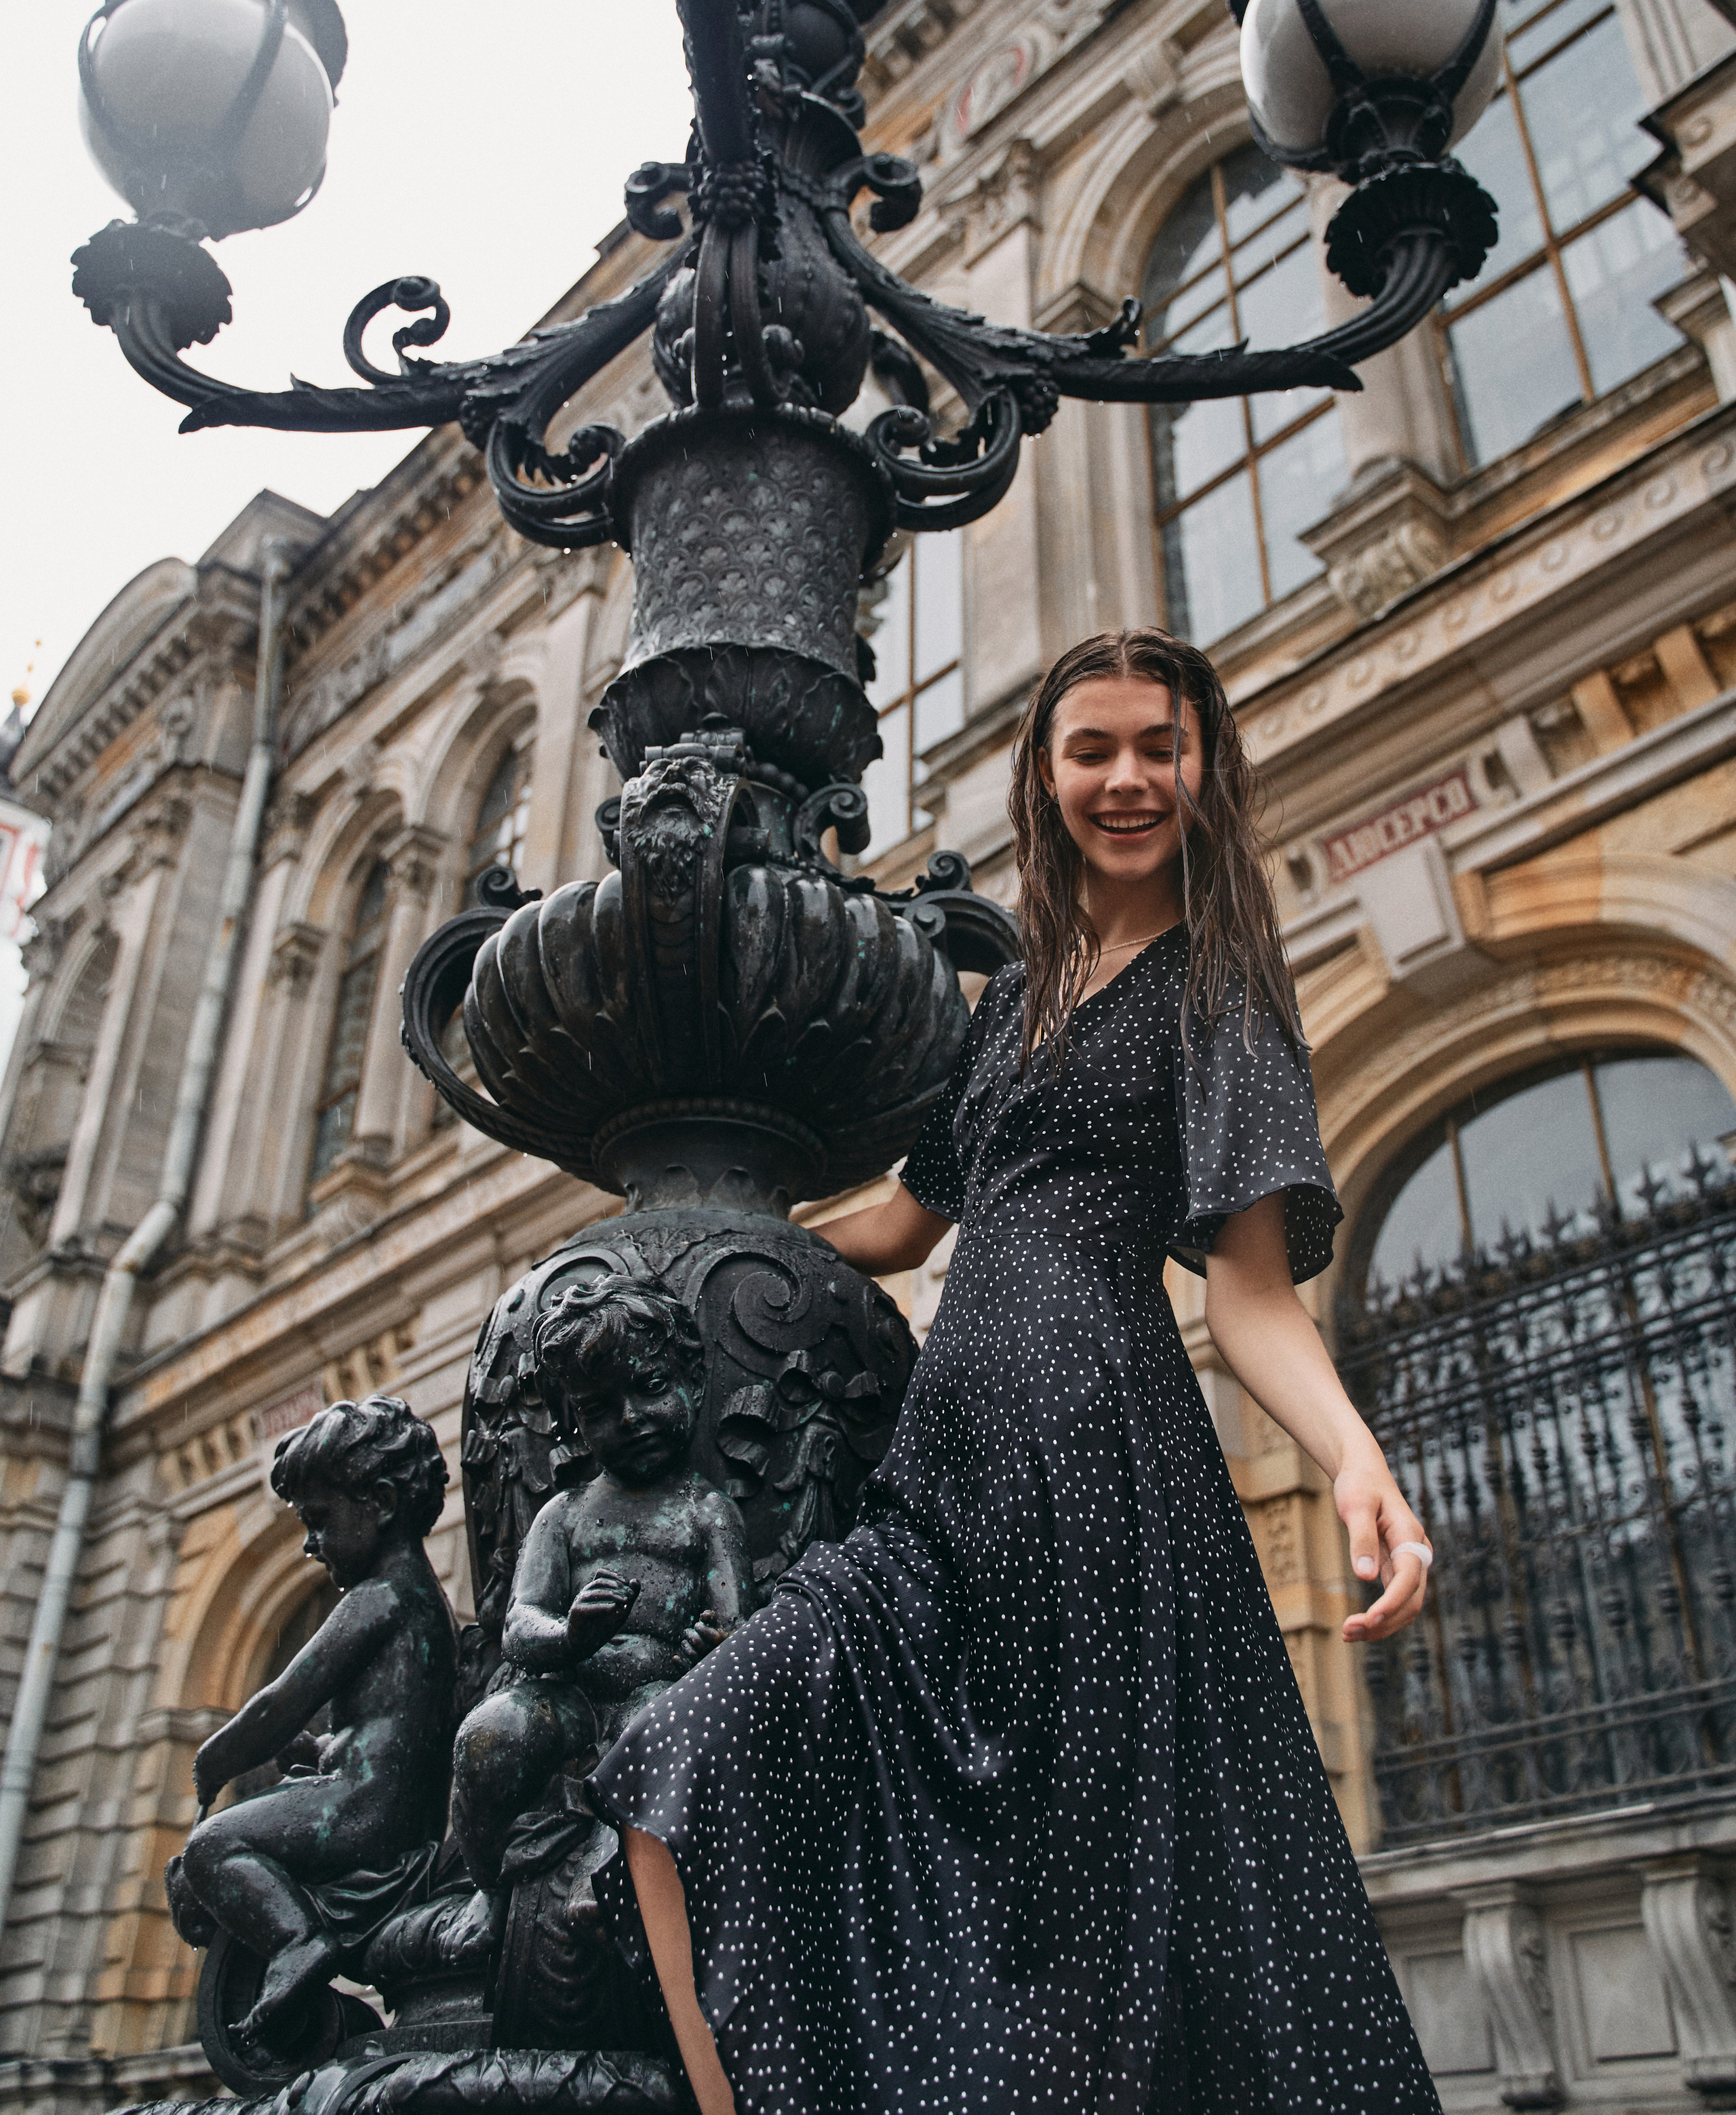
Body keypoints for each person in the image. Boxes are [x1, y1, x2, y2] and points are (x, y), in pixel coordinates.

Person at [588, 628, 1442, 2114]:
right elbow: (901, 1221)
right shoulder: (1021, 1000)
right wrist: (721, 1230)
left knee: (1089, 1943)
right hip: (942, 1485)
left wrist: (1352, 1455)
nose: (1124, 779)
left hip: (1098, 1478)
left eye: (1154, 749)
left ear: (1201, 770)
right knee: (682, 1760)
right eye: (1089, 750)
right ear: (1043, 779)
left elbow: (1246, 1295)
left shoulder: (1217, 990)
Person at [172, 1394, 457, 2043]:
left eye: (320, 1519)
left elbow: (279, 1701)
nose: (309, 1544)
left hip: (368, 1809)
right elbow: (392, 1725)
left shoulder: (379, 1597)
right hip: (379, 1801)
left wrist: (218, 1756)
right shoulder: (417, 1595)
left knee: (213, 1846)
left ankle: (298, 1942)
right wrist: (321, 1750)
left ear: (381, 1503)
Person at [452, 1277, 751, 1892]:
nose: (631, 1419)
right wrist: (570, 1634)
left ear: (692, 1384)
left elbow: (739, 1626)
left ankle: (605, 1880)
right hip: (572, 1698)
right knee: (487, 1738)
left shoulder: (708, 1512)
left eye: (650, 1388)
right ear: (571, 1422)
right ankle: (486, 1890)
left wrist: (712, 1646)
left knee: (655, 1735)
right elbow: (520, 1624)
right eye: (597, 1409)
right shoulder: (563, 1515)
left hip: (659, 1690)